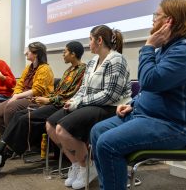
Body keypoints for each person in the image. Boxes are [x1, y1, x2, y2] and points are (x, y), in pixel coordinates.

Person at [90, 0, 186, 190]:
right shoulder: (167, 49)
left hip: (176, 126)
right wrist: (133, 103)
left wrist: (148, 47)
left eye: (157, 15)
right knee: (98, 131)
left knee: (107, 144)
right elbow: (150, 89)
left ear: (169, 20)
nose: (153, 19)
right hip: (148, 117)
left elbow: (150, 81)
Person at [0, 41, 86, 174]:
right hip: (49, 101)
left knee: (19, 115)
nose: (63, 54)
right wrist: (17, 94)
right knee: (13, 114)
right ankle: (0, 153)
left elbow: (67, 94)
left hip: (55, 104)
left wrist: (48, 99)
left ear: (73, 54)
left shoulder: (80, 70)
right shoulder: (68, 70)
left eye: (65, 51)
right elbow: (24, 85)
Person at [46, 25, 132, 189]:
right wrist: (74, 101)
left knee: (62, 129)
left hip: (113, 108)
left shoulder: (117, 60)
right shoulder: (92, 62)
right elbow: (83, 89)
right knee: (50, 125)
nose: (89, 43)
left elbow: (110, 96)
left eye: (90, 39)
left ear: (99, 41)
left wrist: (80, 102)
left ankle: (87, 166)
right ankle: (77, 164)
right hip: (92, 104)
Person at [0, 42, 54, 135]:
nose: (26, 53)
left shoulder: (45, 69)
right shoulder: (29, 67)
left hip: (36, 99)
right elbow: (20, 84)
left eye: (28, 51)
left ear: (36, 53)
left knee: (10, 109)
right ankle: (5, 139)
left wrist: (17, 97)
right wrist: (16, 94)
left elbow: (37, 90)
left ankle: (13, 143)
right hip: (23, 97)